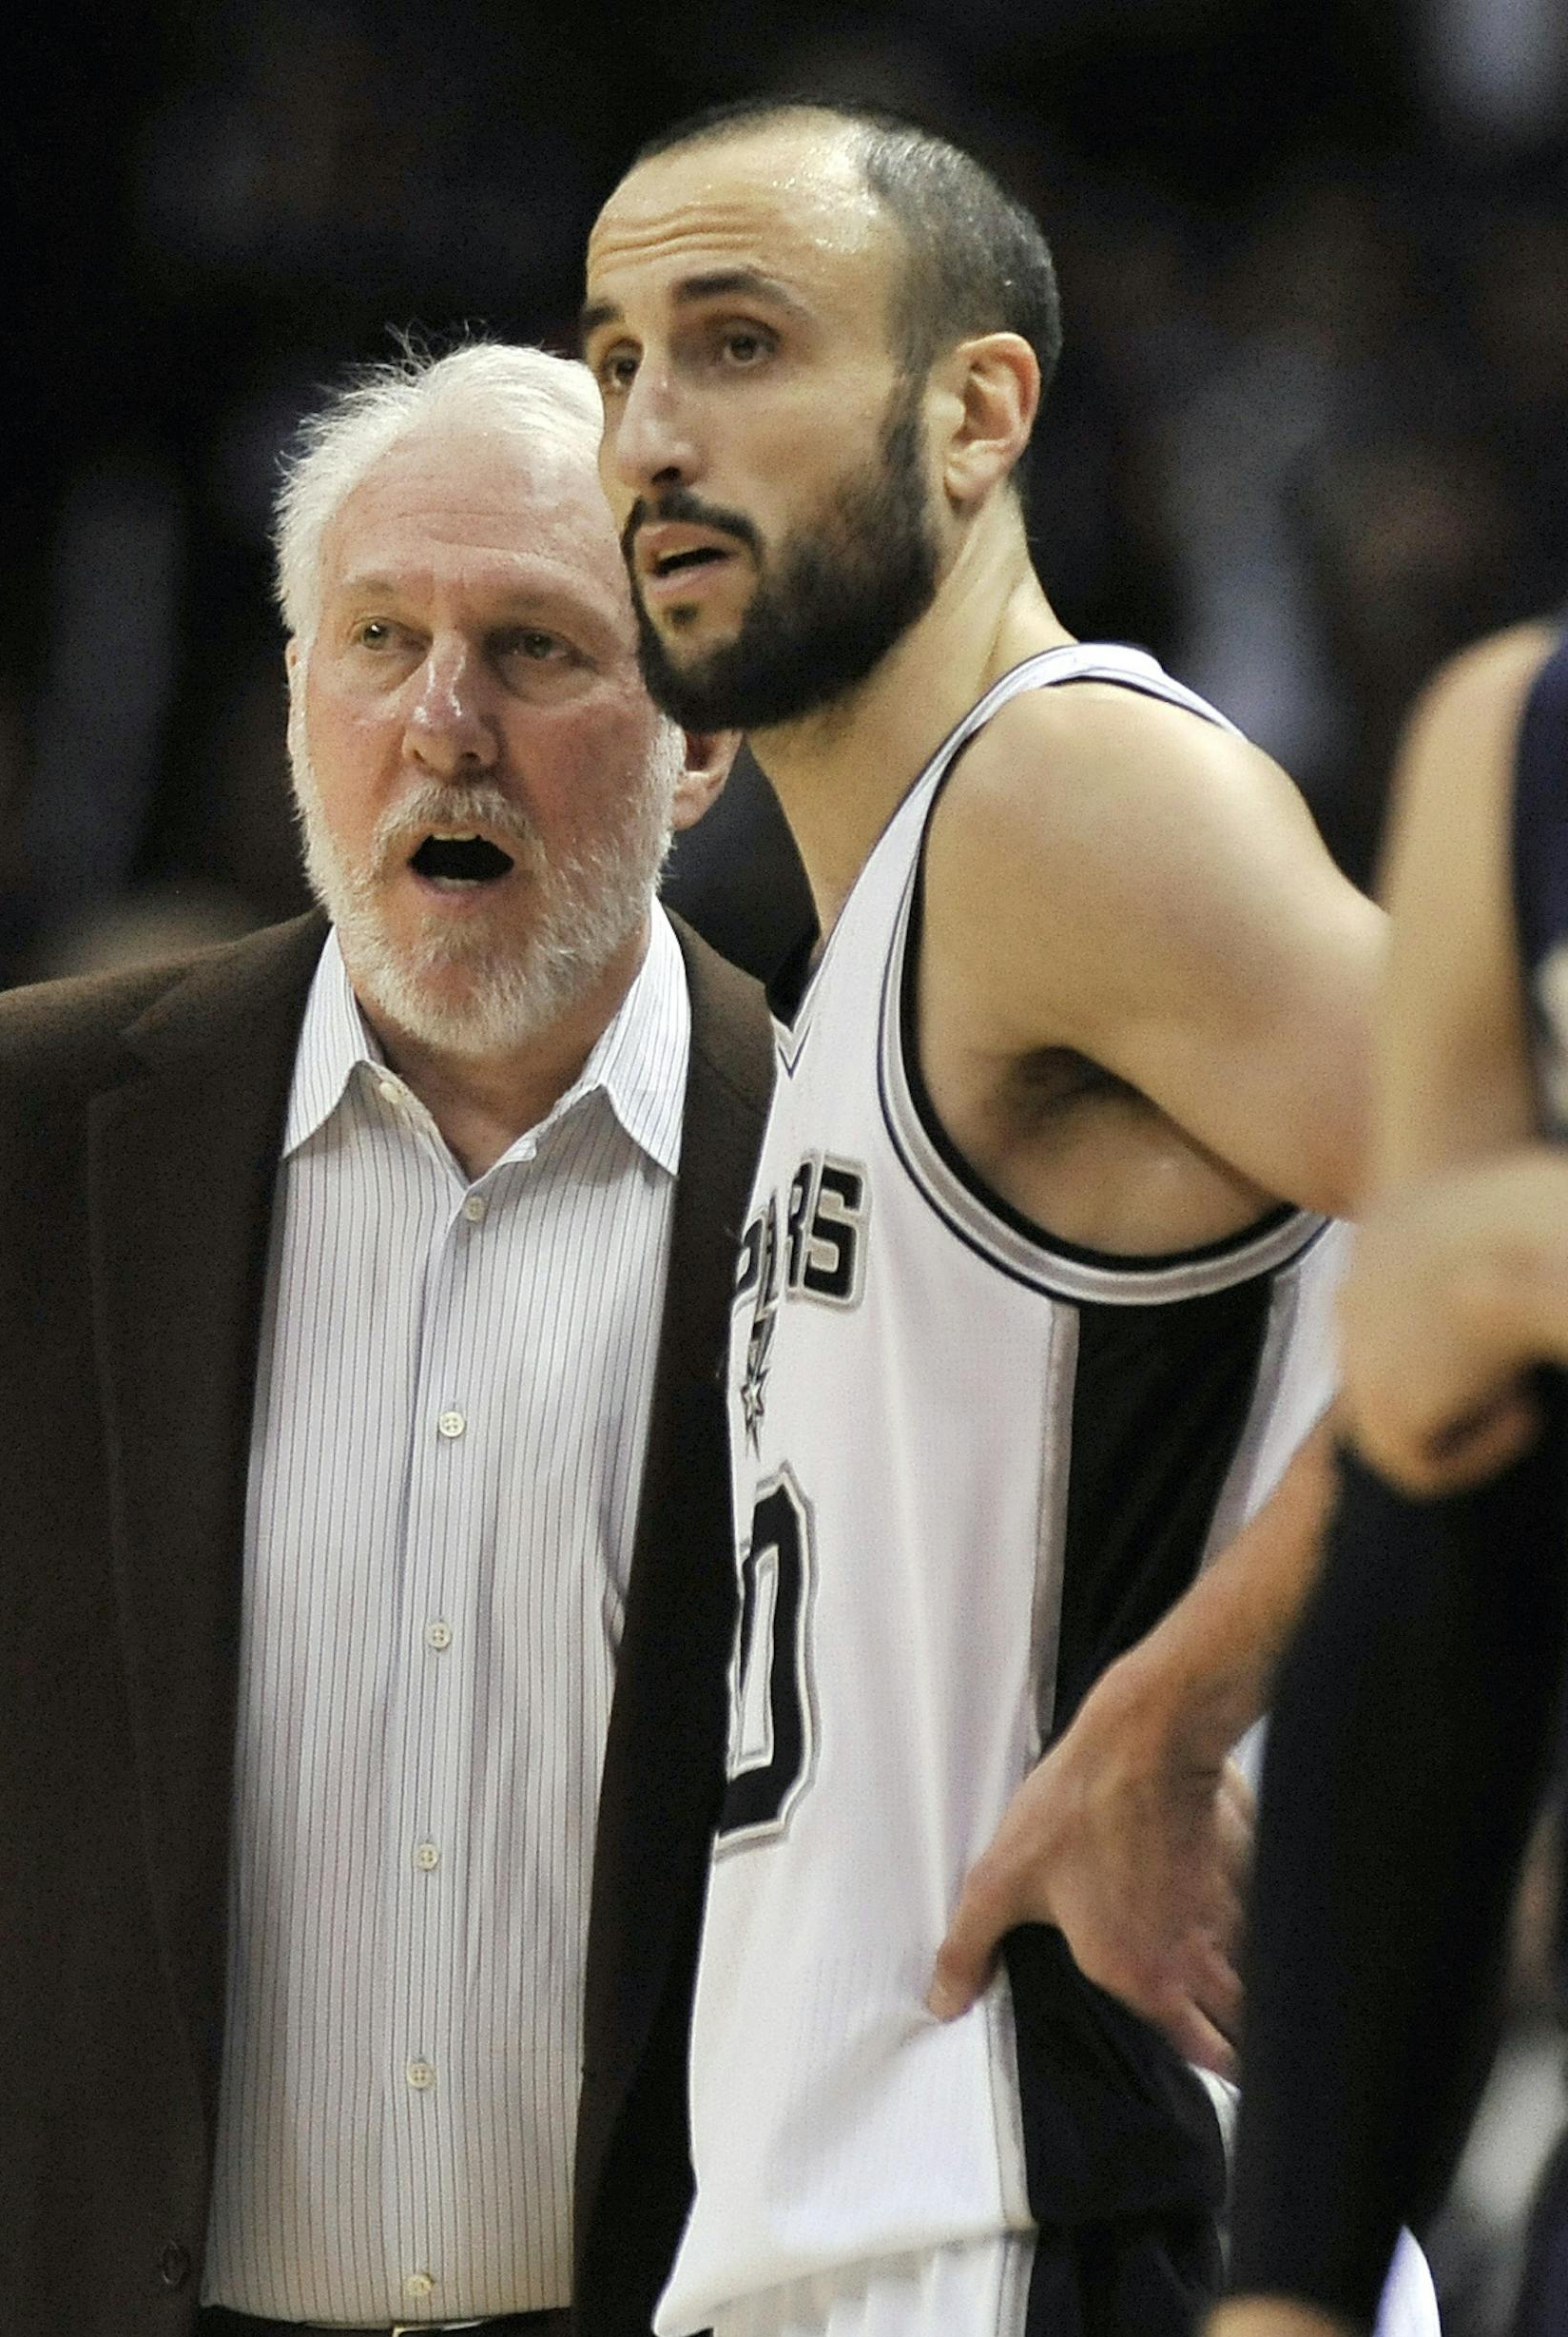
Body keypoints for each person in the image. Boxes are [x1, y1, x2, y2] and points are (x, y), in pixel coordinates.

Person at [0, 343, 771, 2335]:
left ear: (702, 736)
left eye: (539, 649)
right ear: (295, 701)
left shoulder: (844, 1172)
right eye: (381, 637)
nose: (444, 720)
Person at [579, 99, 1437, 2337]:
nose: (652, 433)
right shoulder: (853, 960)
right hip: (880, 2233)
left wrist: (1166, 1723)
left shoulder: (1067, 793)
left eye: (738, 343)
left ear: (975, 412)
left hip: (1073, 2219)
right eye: (611, 363)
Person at [1213, 619, 1568, 2337]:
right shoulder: (1514, 741)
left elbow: (1471, 1279)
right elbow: (1436, 1527)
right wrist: (1294, 2268)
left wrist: (1519, 1254)